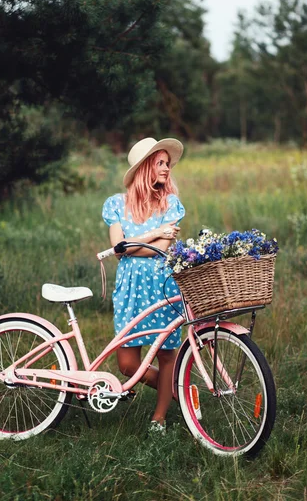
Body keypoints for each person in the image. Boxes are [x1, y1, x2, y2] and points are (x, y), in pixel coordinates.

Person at [102, 137, 185, 434]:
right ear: (145, 168)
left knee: (165, 355)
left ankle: (159, 417)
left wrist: (134, 243)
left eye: (167, 163)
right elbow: (117, 247)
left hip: (162, 285)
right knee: (126, 365)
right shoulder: (116, 205)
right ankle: (176, 389)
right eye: (160, 163)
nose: (166, 169)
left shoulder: (170, 205)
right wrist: (154, 233)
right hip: (130, 288)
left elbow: (161, 248)